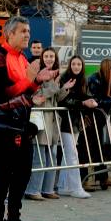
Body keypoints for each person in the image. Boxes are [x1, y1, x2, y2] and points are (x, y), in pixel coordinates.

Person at [0, 16, 56, 221]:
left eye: (28, 30)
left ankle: (13, 218)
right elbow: (1, 96)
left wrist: (36, 83)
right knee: (2, 177)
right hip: (4, 124)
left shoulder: (22, 57)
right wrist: (29, 85)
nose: (27, 34)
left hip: (21, 123)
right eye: (23, 31)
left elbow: (25, 92)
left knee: (24, 171)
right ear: (10, 34)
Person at [25, 47, 69, 200]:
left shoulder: (56, 74)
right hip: (40, 119)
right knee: (40, 157)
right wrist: (54, 87)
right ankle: (33, 190)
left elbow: (58, 98)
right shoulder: (38, 74)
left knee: (52, 157)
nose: (49, 58)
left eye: (52, 56)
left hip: (53, 121)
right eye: (46, 56)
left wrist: (64, 89)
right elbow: (39, 96)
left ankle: (47, 188)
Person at [54, 55, 93, 198]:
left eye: (79, 64)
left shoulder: (83, 80)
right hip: (65, 121)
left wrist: (90, 102)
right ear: (70, 65)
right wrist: (83, 103)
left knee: (69, 154)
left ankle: (63, 186)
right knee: (72, 154)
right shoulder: (65, 78)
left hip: (77, 122)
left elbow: (86, 96)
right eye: (74, 64)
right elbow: (64, 101)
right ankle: (76, 187)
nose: (76, 66)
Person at [86, 57, 111, 189]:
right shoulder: (94, 79)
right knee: (88, 148)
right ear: (109, 68)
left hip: (102, 119)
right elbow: (95, 100)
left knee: (99, 148)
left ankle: (102, 178)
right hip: (90, 119)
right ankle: (86, 180)